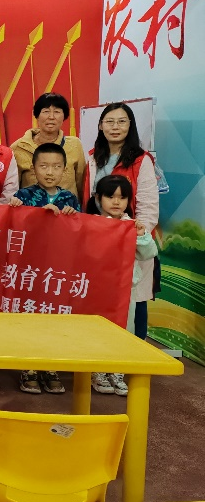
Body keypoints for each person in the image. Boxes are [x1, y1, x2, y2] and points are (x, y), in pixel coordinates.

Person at [9, 142, 80, 395]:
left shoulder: (70, 198)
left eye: (56, 167)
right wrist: (20, 210)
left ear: (65, 170)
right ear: (33, 168)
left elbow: (80, 231)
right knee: (30, 315)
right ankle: (28, 366)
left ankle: (51, 365)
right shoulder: (24, 195)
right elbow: (12, 225)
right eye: (44, 166)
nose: (50, 172)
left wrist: (70, 216)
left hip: (58, 270)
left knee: (54, 317)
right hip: (29, 270)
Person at [85, 103, 158, 340]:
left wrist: (134, 234)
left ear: (130, 125)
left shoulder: (141, 160)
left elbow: (148, 207)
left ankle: (134, 356)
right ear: (100, 125)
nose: (115, 127)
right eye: (110, 121)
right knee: (100, 299)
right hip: (98, 243)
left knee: (134, 300)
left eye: (122, 121)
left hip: (129, 243)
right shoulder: (93, 157)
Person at [86, 175, 158, 397]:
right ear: (98, 198)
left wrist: (142, 235)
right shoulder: (90, 224)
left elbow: (149, 253)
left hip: (125, 290)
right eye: (110, 196)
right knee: (97, 331)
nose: (116, 202)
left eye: (122, 197)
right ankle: (97, 371)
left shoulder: (131, 226)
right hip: (98, 289)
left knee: (124, 330)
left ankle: (117, 372)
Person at [11, 93, 86, 200]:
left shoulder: (75, 145)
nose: (51, 117)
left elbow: (81, 184)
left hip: (67, 208)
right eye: (46, 111)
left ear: (64, 116)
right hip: (32, 208)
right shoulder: (18, 147)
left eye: (57, 112)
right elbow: (13, 188)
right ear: (36, 115)